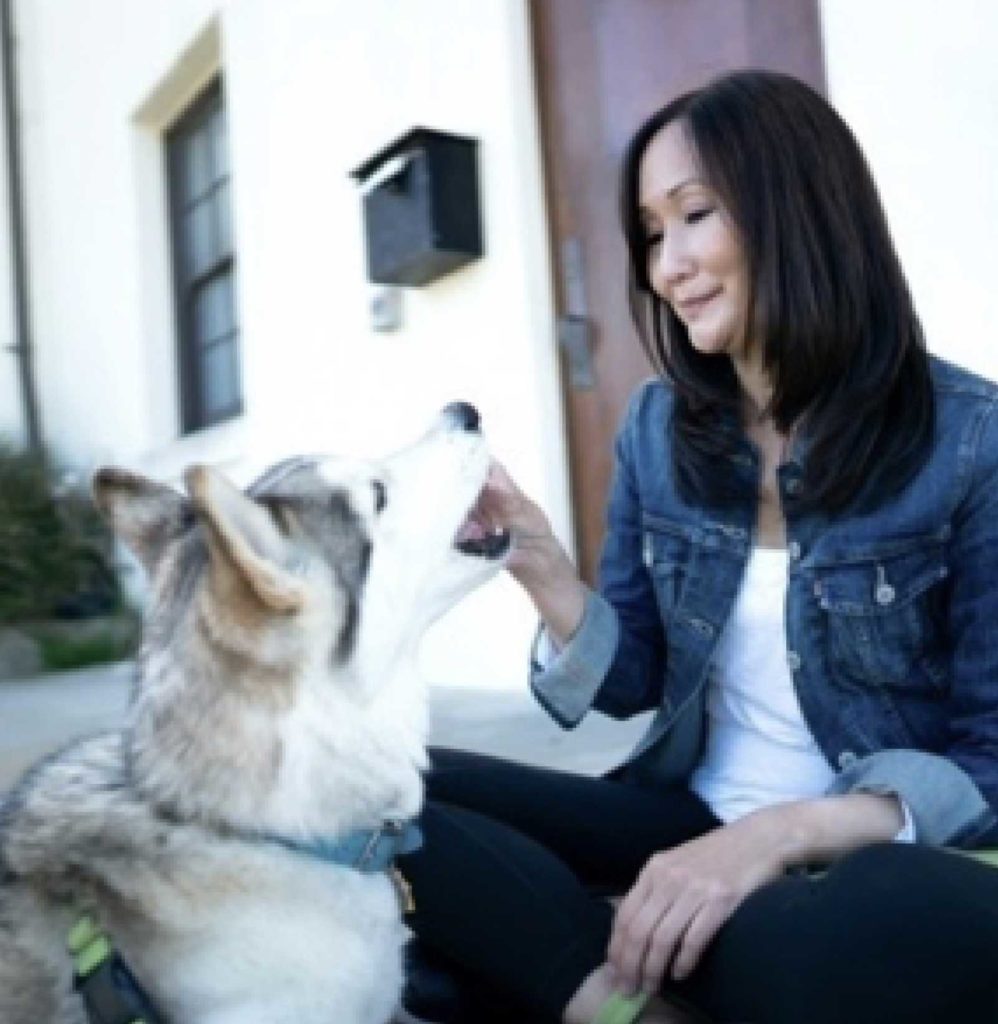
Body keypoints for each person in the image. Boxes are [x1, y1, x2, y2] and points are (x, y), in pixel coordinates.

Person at [397, 69, 998, 1024]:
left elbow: (990, 761)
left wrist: (779, 835)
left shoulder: (971, 439)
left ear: (798, 209)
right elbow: (636, 676)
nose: (664, 263)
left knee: (870, 929)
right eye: (649, 233)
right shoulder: (655, 428)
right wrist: (541, 563)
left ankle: (536, 960)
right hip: (684, 821)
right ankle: (615, 992)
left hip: (860, 854)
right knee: (384, 793)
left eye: (694, 215)